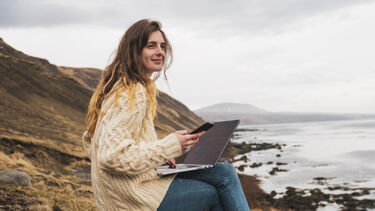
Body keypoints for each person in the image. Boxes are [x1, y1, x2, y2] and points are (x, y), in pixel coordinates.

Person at [82, 19, 250, 211]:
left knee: (224, 172)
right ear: (134, 50)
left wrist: (157, 157)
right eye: (151, 46)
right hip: (131, 198)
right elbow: (111, 157)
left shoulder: (123, 86)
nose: (160, 52)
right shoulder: (131, 92)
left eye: (162, 46)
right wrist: (170, 146)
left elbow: (97, 141)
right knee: (214, 193)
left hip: (134, 184)